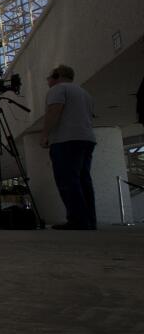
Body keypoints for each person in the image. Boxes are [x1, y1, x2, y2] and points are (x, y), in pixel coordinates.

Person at [41, 64, 97, 230]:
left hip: (66, 140)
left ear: (57, 75)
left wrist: (45, 134)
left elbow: (54, 111)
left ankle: (77, 220)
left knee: (67, 180)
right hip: (86, 139)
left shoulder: (58, 90)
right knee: (83, 180)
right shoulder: (84, 93)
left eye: (49, 77)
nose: (48, 81)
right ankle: (89, 220)